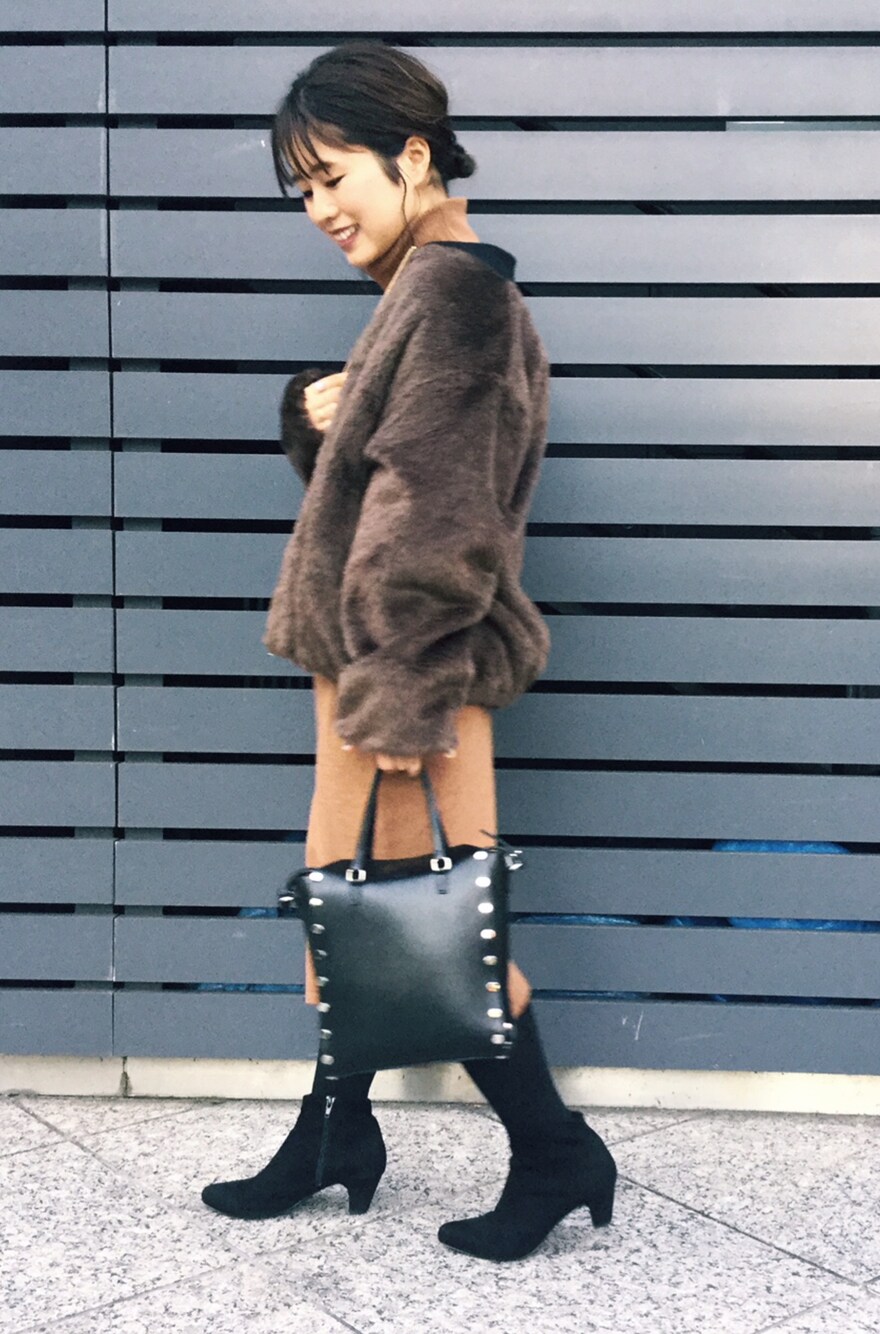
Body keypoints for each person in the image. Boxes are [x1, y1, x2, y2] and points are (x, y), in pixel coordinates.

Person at [199, 40, 616, 1263]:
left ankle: (553, 1149)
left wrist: (394, 700)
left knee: (428, 932)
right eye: (303, 188)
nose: (319, 207)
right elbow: (384, 486)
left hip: (405, 675)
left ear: (413, 156)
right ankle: (334, 1135)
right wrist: (315, 412)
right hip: (382, 668)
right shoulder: (426, 292)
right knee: (357, 921)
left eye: (332, 176)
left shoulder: (451, 294)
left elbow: (437, 521)